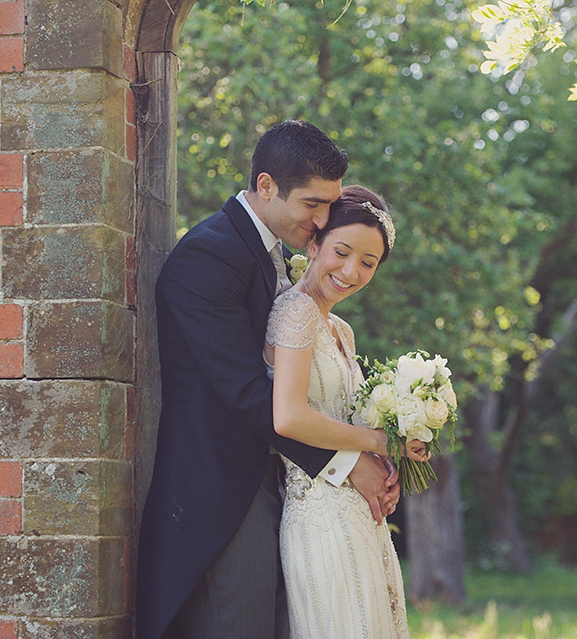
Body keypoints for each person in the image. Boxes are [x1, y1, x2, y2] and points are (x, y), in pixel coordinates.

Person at [136, 122, 401, 639]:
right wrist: (348, 461)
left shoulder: (265, 252)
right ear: (264, 186)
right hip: (223, 495)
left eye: (329, 204)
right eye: (312, 204)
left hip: (278, 487)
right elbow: (247, 393)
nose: (323, 219)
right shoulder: (210, 255)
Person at [264, 185, 424, 638]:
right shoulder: (295, 310)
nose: (351, 271)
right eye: (342, 251)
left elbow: (339, 419)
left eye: (368, 263)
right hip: (319, 519)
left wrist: (389, 464)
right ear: (314, 244)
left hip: (360, 517)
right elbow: (288, 417)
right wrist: (378, 442)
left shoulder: (341, 330)